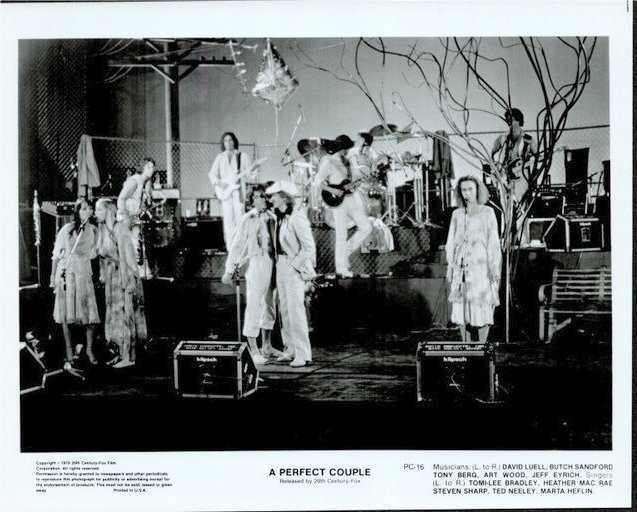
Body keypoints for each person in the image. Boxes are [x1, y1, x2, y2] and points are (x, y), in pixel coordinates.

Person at [221, 184, 281, 365]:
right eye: (255, 197)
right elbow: (238, 244)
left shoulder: (273, 217)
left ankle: (267, 345)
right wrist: (230, 268)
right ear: (251, 201)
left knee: (270, 304)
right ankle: (253, 349)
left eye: (262, 196)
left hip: (273, 263)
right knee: (254, 305)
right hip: (256, 263)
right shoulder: (247, 218)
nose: (260, 200)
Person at [445, 176, 502, 343]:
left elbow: (493, 242)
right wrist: (451, 266)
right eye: (464, 190)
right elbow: (451, 242)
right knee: (461, 306)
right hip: (461, 265)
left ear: (477, 190)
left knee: (481, 302)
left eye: (470, 189)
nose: (467, 193)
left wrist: (494, 267)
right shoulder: (457, 214)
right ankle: (466, 345)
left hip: (481, 265)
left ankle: (482, 347)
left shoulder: (488, 212)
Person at [266, 181, 316, 368]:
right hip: (281, 265)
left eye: (274, 196)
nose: (271, 199)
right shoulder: (280, 217)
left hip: (293, 266)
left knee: (296, 311)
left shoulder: (297, 217)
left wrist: (295, 265)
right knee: (285, 310)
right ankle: (291, 350)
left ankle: (303, 354)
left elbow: (309, 247)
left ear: (284, 197)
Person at [95, 198, 148, 368]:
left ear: (108, 211)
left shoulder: (120, 228)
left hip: (125, 274)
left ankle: (129, 356)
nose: (96, 214)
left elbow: (128, 257)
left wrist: (130, 279)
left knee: (127, 314)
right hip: (113, 277)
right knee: (116, 315)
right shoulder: (103, 230)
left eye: (99, 210)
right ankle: (120, 352)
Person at [49, 198, 100, 368]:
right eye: (83, 208)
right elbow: (56, 254)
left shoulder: (94, 231)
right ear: (77, 212)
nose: (88, 210)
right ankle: (69, 349)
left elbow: (95, 254)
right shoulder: (67, 229)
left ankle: (89, 349)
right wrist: (52, 276)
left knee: (89, 315)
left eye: (89, 208)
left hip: (84, 274)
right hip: (67, 273)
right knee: (66, 314)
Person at [313, 134, 372, 278]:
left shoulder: (348, 162)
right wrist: (333, 190)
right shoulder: (329, 162)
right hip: (337, 201)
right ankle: (341, 270)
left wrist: (356, 182)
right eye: (346, 148)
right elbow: (317, 182)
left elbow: (351, 181)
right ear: (342, 148)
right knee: (341, 235)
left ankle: (345, 252)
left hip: (350, 199)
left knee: (366, 227)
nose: (347, 151)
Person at [208, 132, 255, 248]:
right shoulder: (220, 157)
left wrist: (244, 178)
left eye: (230, 140)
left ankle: (242, 246)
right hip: (226, 193)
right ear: (223, 143)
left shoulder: (243, 156)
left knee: (240, 217)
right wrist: (220, 183)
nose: (228, 143)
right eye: (226, 141)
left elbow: (250, 175)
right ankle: (230, 246)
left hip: (239, 191)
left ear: (234, 141)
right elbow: (212, 174)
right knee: (228, 219)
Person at [117, 157, 156, 278]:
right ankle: (135, 274)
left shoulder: (145, 183)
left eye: (153, 167)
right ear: (142, 168)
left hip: (135, 218)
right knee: (134, 246)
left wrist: (147, 196)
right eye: (149, 167)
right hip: (126, 218)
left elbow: (144, 202)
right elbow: (121, 199)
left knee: (139, 246)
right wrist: (125, 216)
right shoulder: (134, 181)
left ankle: (143, 273)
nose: (152, 169)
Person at [491, 108, 538, 204]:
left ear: (519, 120)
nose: (509, 122)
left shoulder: (529, 139)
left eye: (512, 119)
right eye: (508, 119)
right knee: (505, 204)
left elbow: (538, 157)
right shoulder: (502, 138)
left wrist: (527, 164)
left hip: (521, 177)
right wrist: (495, 169)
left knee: (521, 204)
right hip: (504, 175)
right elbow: (492, 154)